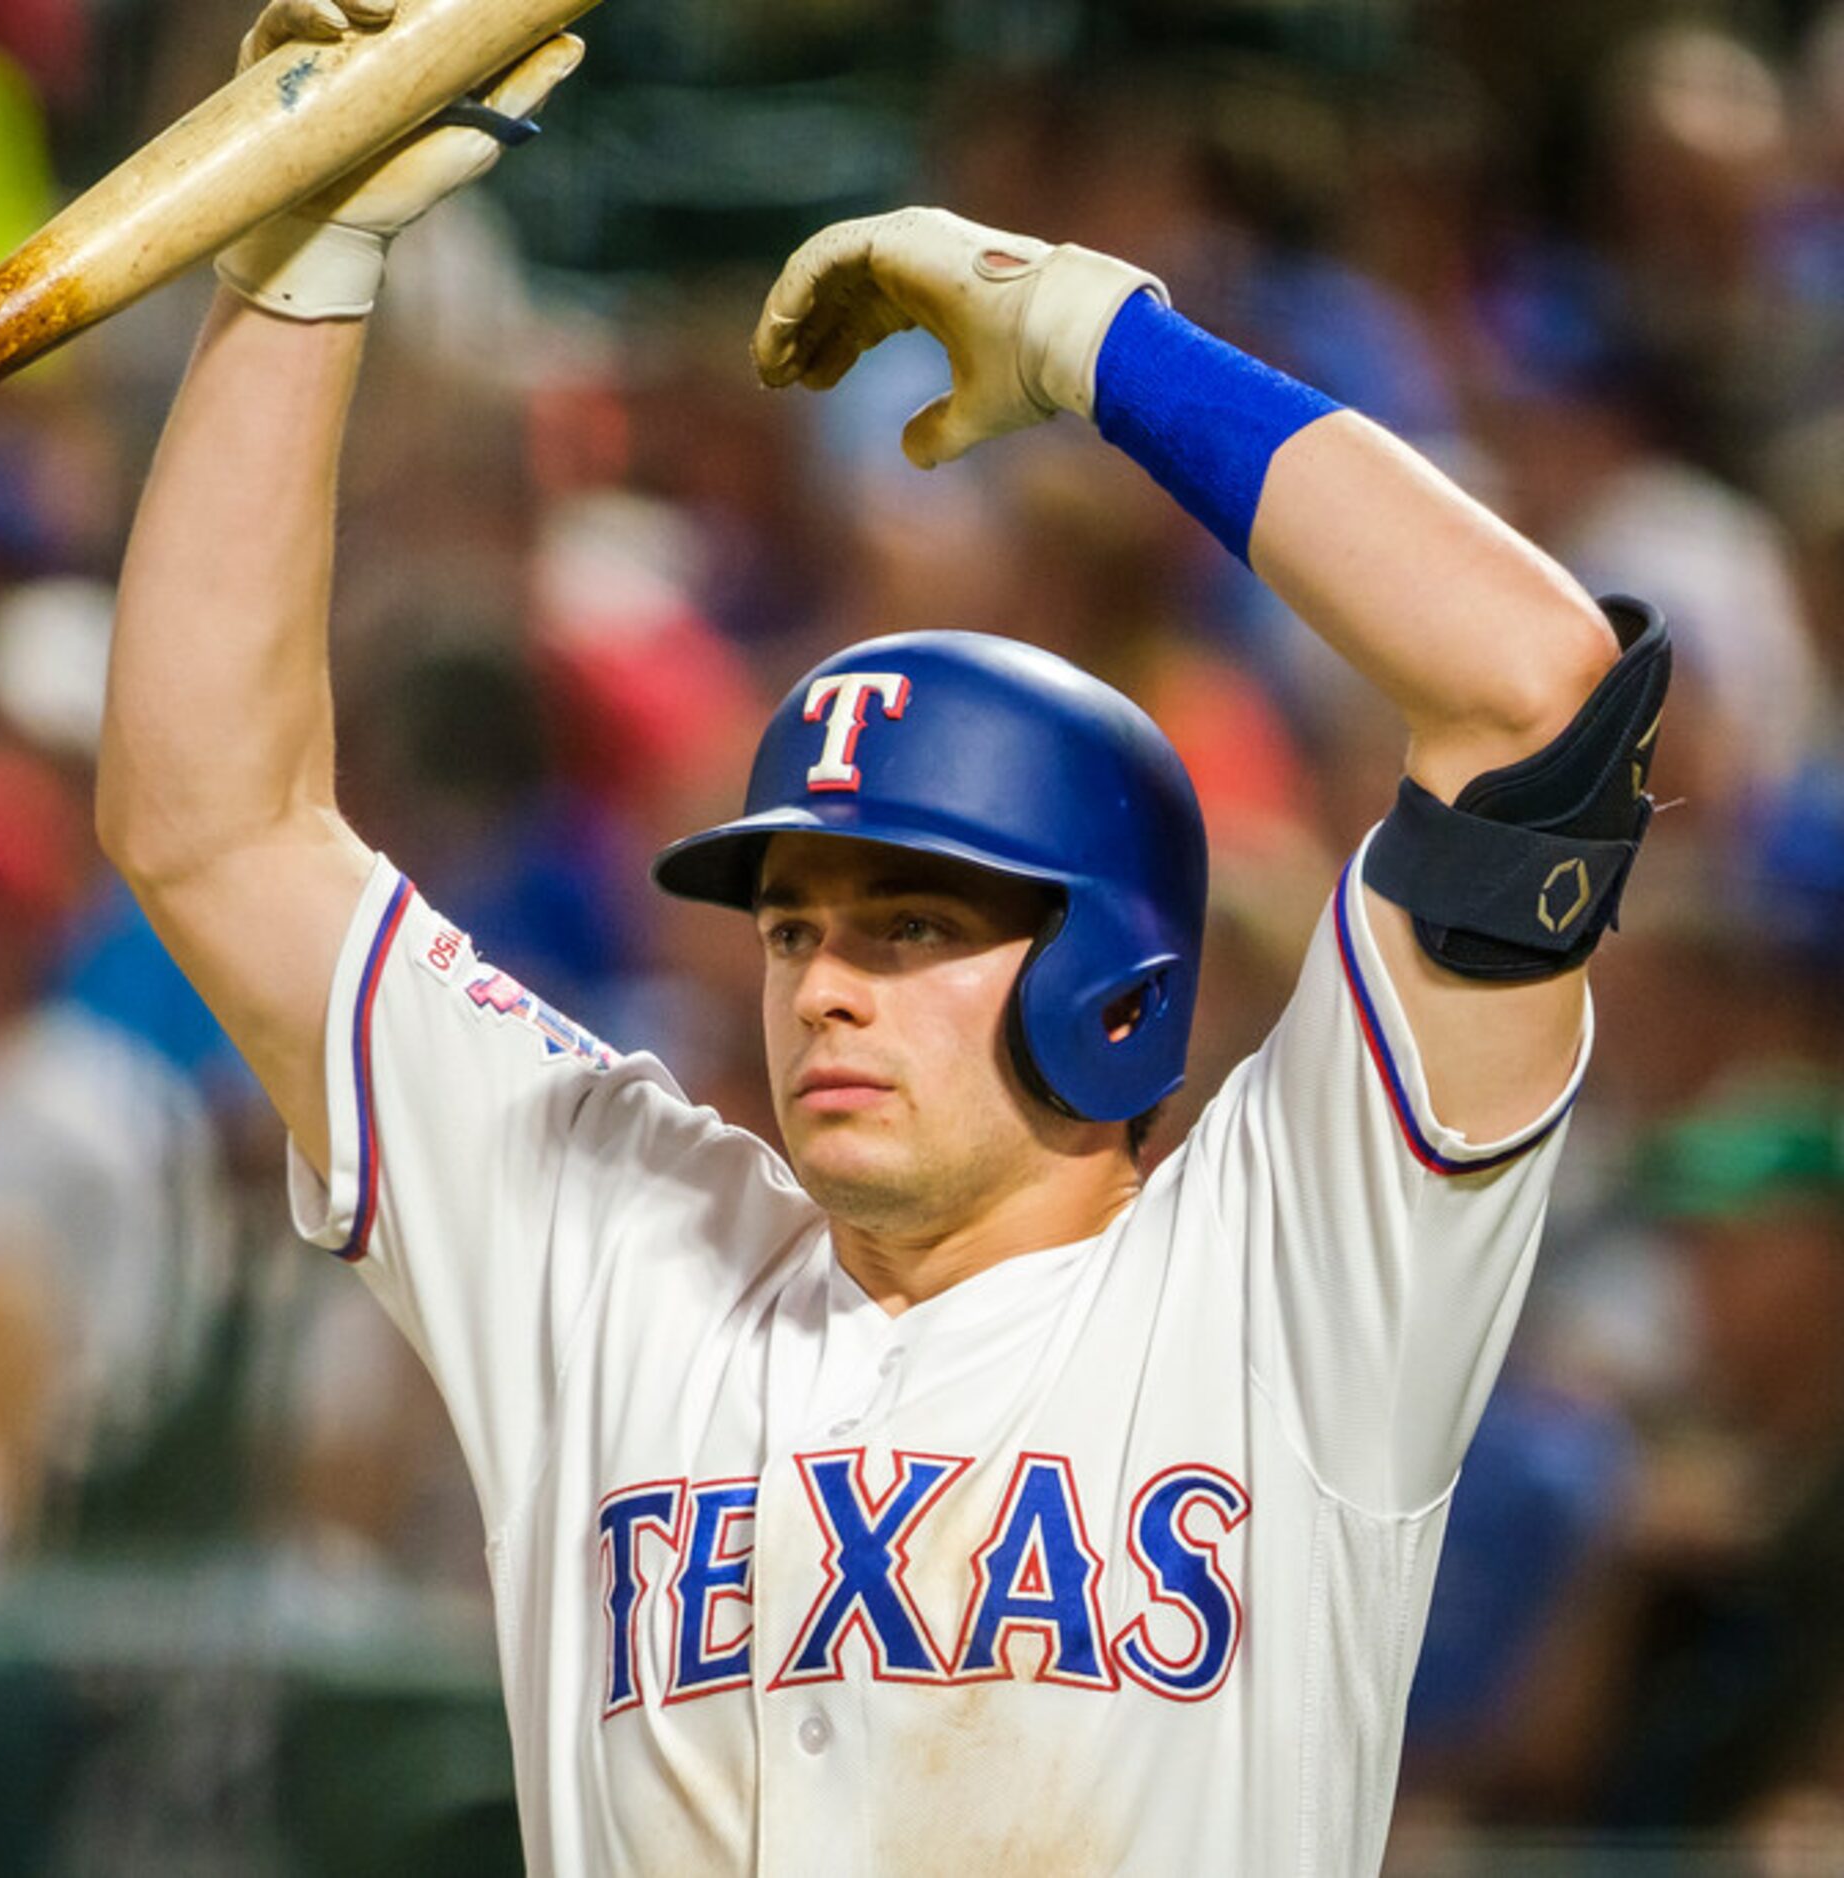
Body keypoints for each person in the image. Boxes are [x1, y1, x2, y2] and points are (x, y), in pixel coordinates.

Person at [97, 3, 1668, 1868]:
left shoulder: (1289, 1275)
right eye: (791, 924)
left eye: (914, 920)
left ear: (1118, 985)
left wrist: (1100, 341)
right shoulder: (618, 1248)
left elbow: (1536, 696)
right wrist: (299, 267)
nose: (822, 980)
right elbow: (213, 829)